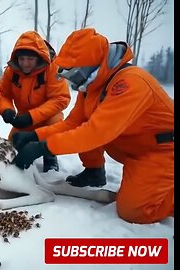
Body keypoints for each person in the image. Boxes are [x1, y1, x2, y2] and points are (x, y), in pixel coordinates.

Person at [11, 28, 173, 224]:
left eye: (73, 73)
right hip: (132, 148)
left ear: (89, 67)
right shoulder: (92, 86)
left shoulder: (131, 83)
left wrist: (43, 148)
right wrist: (35, 136)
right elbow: (72, 124)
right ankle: (95, 173)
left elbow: (94, 133)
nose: (71, 81)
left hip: (160, 152)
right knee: (86, 126)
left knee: (134, 211)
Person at [0, 31, 70, 172]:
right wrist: (6, 110)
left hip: (47, 118)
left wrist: (32, 116)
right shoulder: (11, 71)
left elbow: (61, 99)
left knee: (55, 125)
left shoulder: (52, 69)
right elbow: (1, 95)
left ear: (39, 58)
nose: (25, 63)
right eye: (22, 58)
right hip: (23, 119)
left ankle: (50, 157)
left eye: (30, 59)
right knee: (10, 147)